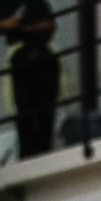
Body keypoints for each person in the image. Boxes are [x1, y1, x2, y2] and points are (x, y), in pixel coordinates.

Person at [5, 0, 58, 158]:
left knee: (44, 111)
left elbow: (50, 25)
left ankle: (43, 148)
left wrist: (23, 28)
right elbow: (5, 24)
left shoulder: (37, 2)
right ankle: (28, 151)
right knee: (25, 110)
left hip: (42, 56)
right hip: (20, 58)